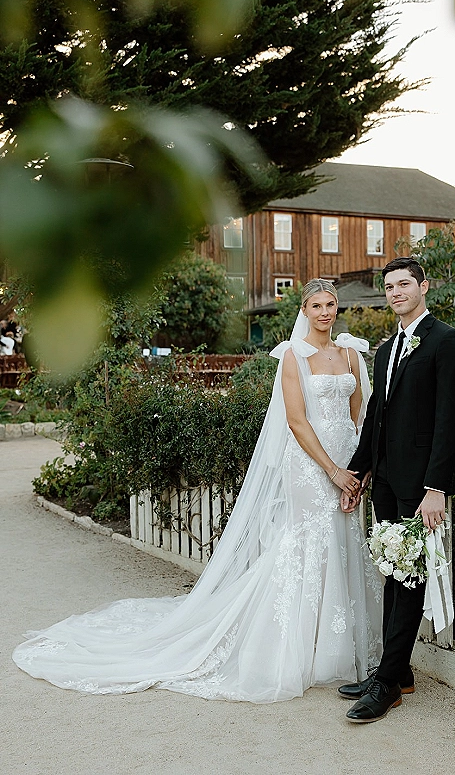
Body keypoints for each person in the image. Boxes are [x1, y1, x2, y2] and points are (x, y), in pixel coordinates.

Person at [13, 279, 382, 701]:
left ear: (338, 308)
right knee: (308, 545)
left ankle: (336, 643)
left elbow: (360, 416)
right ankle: (300, 646)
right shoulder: (293, 357)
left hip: (347, 465)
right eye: (315, 305)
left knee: (344, 540)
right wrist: (332, 470)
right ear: (304, 310)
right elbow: (297, 422)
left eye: (330, 304)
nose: (324, 312)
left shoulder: (352, 352)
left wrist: (357, 470)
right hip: (311, 466)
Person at [338, 256, 455, 723]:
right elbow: (378, 414)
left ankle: (388, 683)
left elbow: (449, 419)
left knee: (408, 574)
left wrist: (437, 486)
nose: (395, 292)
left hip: (421, 484)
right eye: (389, 286)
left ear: (424, 287)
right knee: (393, 574)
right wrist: (358, 472)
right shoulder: (386, 348)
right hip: (388, 479)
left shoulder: (446, 341)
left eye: (404, 284)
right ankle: (397, 670)